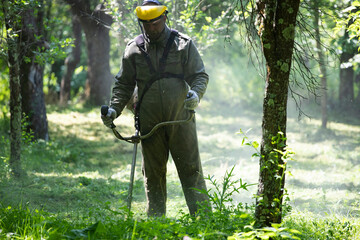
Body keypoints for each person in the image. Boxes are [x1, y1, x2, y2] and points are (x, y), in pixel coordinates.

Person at [101, 0, 209, 217]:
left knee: (191, 171)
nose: (151, 28)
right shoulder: (133, 50)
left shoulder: (183, 44)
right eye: (146, 24)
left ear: (165, 18)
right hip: (149, 123)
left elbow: (199, 76)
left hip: (180, 120)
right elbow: (123, 85)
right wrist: (113, 110)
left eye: (155, 23)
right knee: (153, 175)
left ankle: (204, 221)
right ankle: (157, 224)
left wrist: (196, 95)